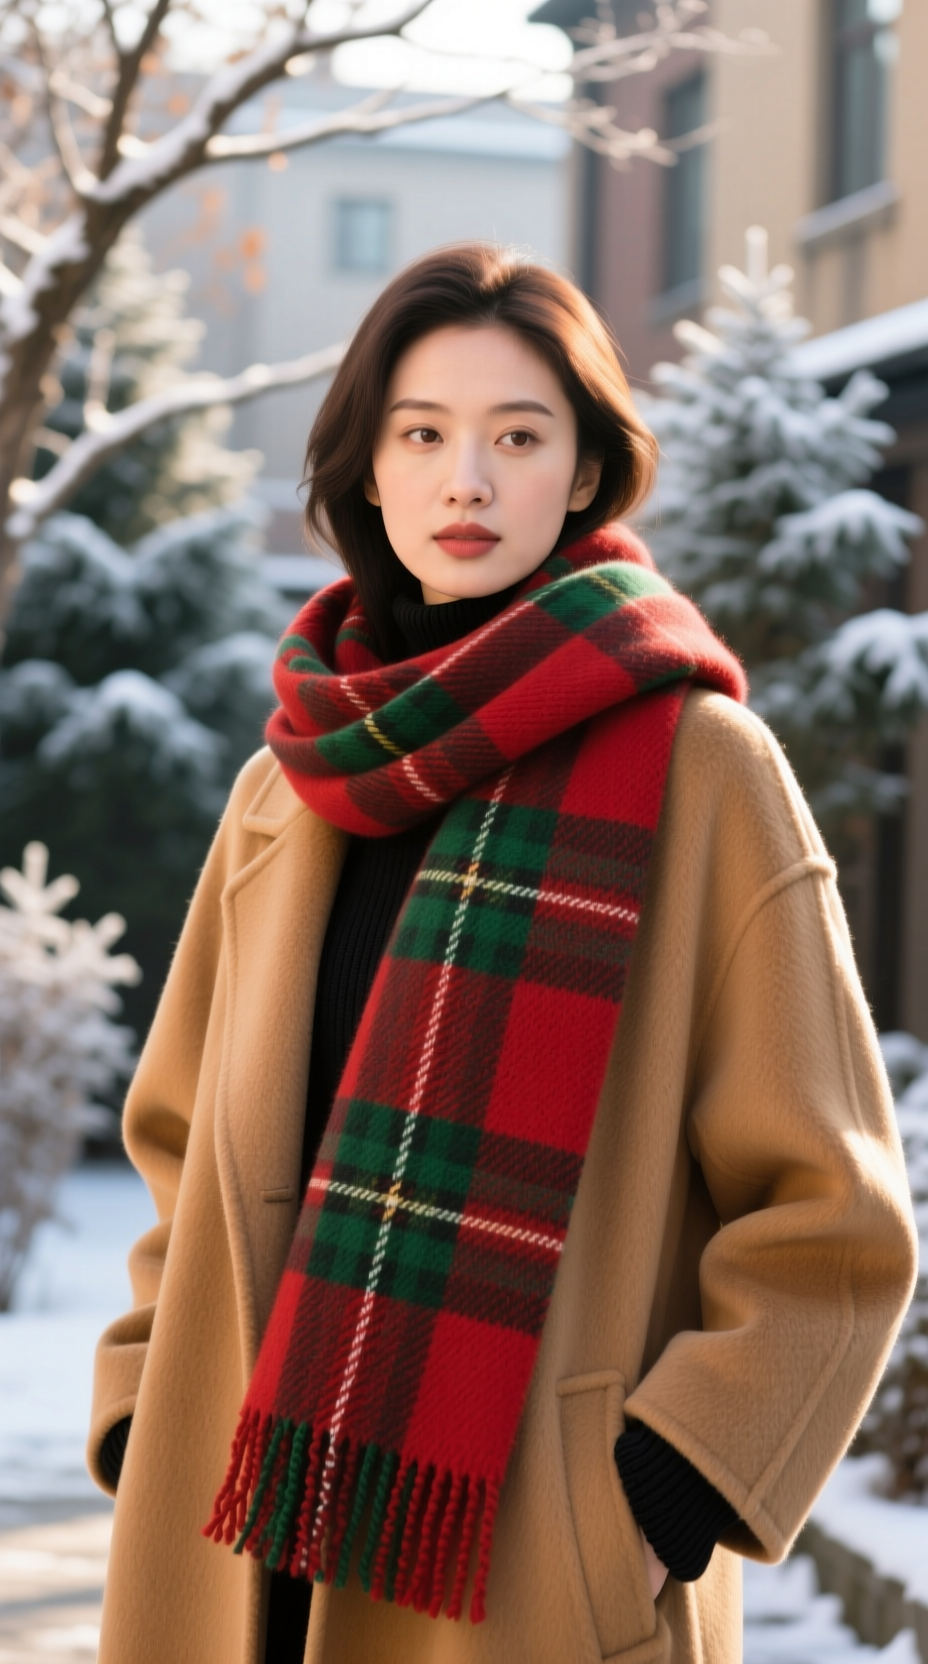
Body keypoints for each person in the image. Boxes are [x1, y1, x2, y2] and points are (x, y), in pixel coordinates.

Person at [88, 245, 916, 1664]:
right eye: (424, 434)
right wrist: (140, 1401)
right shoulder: (287, 787)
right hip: (229, 1543)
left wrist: (674, 1486)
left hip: (523, 1570)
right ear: (367, 468)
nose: (466, 481)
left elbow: (830, 1219)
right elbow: (179, 1142)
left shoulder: (702, 769)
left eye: (518, 436)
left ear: (587, 472)